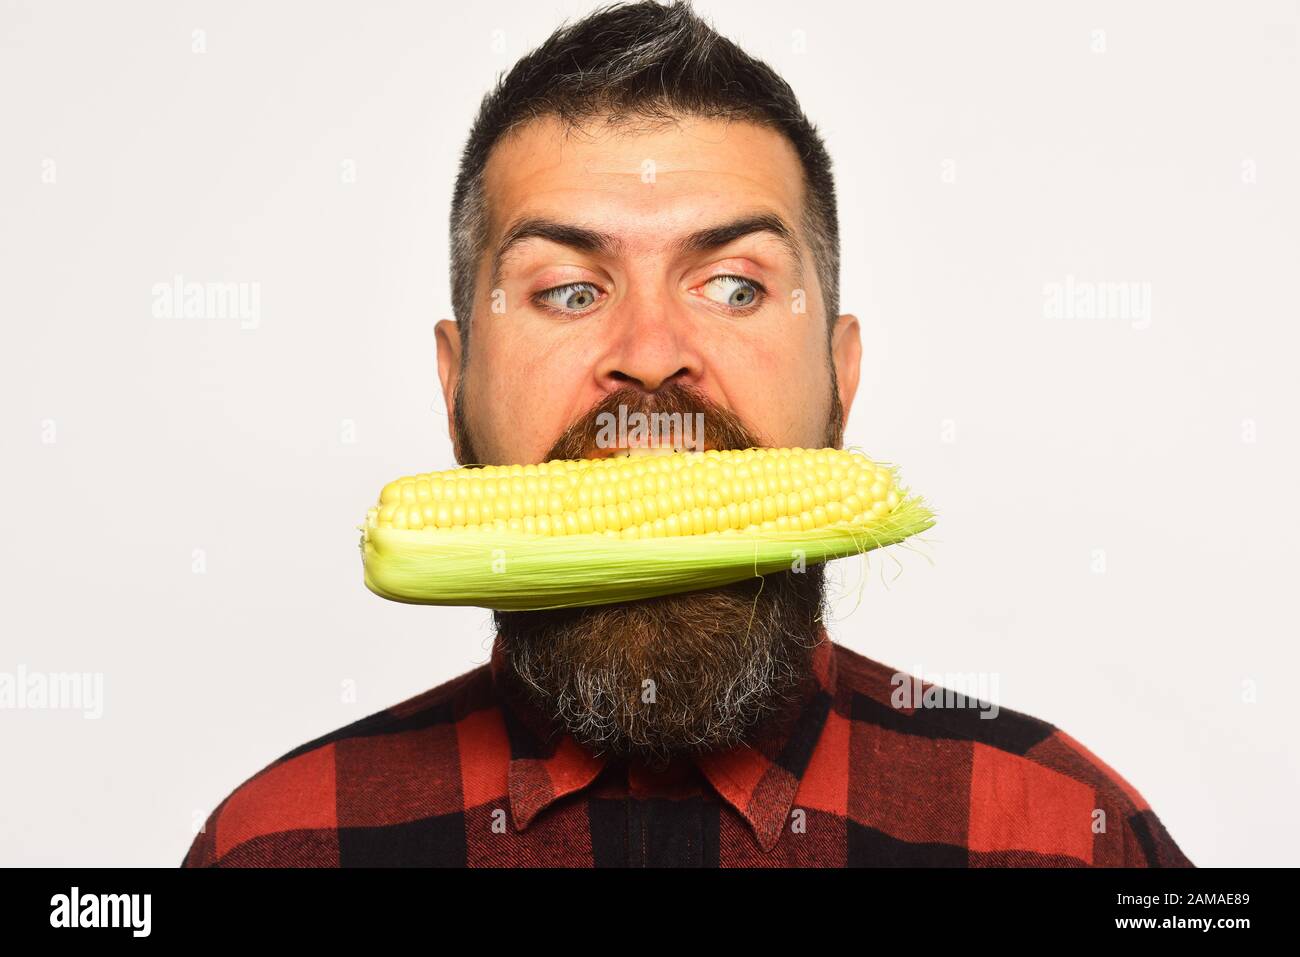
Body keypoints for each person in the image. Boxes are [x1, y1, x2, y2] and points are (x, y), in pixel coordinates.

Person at [183, 0, 1192, 867]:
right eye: (570, 290)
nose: (653, 351)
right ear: (455, 391)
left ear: (839, 382)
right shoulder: (274, 845)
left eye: (733, 285)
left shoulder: (1068, 833)